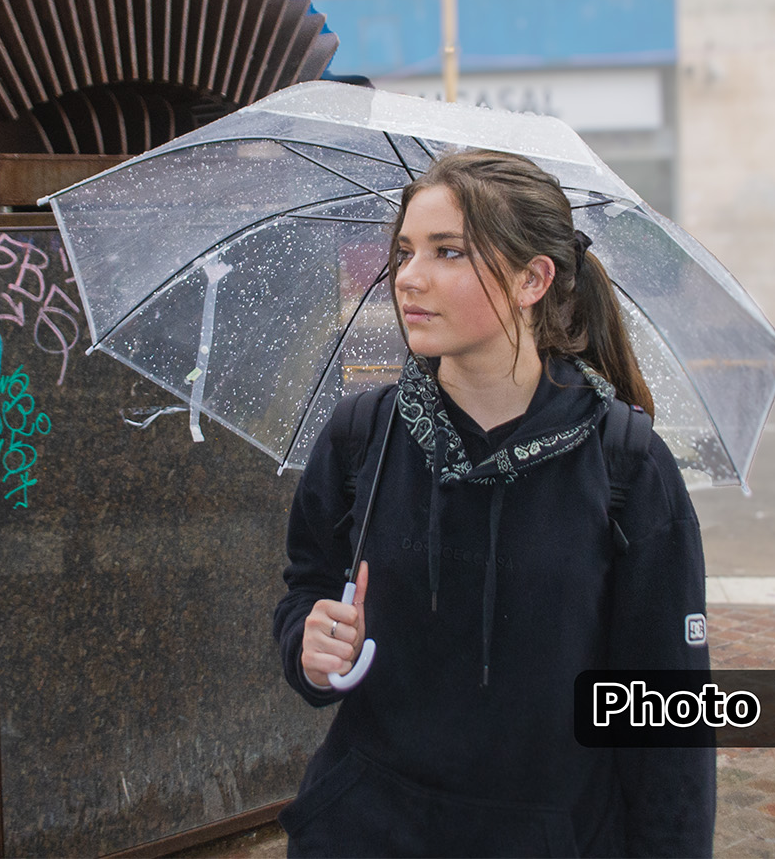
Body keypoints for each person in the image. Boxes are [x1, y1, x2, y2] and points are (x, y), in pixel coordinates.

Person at [272, 149, 715, 857]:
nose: (409, 277)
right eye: (405, 250)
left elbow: (665, 725)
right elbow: (306, 591)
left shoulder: (626, 466)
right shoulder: (363, 437)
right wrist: (311, 646)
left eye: (449, 251)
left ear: (533, 278)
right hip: (363, 833)